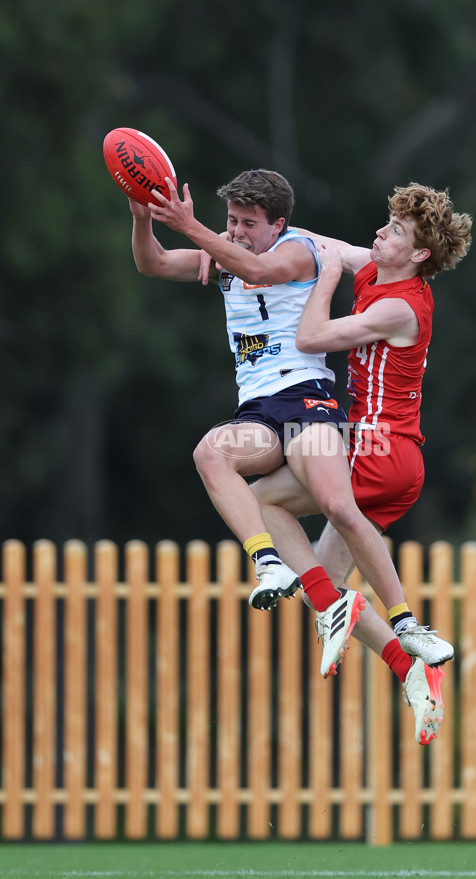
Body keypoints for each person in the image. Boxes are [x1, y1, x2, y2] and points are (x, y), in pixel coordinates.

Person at [129, 168, 453, 686]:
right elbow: (154, 262)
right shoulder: (230, 252)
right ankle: (382, 648)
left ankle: (406, 623)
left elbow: (268, 274)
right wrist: (141, 213)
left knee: (337, 507)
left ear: (277, 224)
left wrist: (193, 227)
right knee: (217, 460)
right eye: (230, 220)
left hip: (320, 409)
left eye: (247, 222)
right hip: (265, 415)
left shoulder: (297, 252)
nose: (235, 230)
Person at [249, 181, 472, 743]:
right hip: (398, 459)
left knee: (261, 501)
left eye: (395, 230)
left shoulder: (401, 305)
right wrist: (267, 241)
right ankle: (410, 668)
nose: (380, 231)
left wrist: (322, 278)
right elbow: (329, 246)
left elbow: (311, 337)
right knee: (329, 589)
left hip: (376, 449)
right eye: (387, 221)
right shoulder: (379, 270)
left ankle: (401, 622)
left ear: (419, 255)